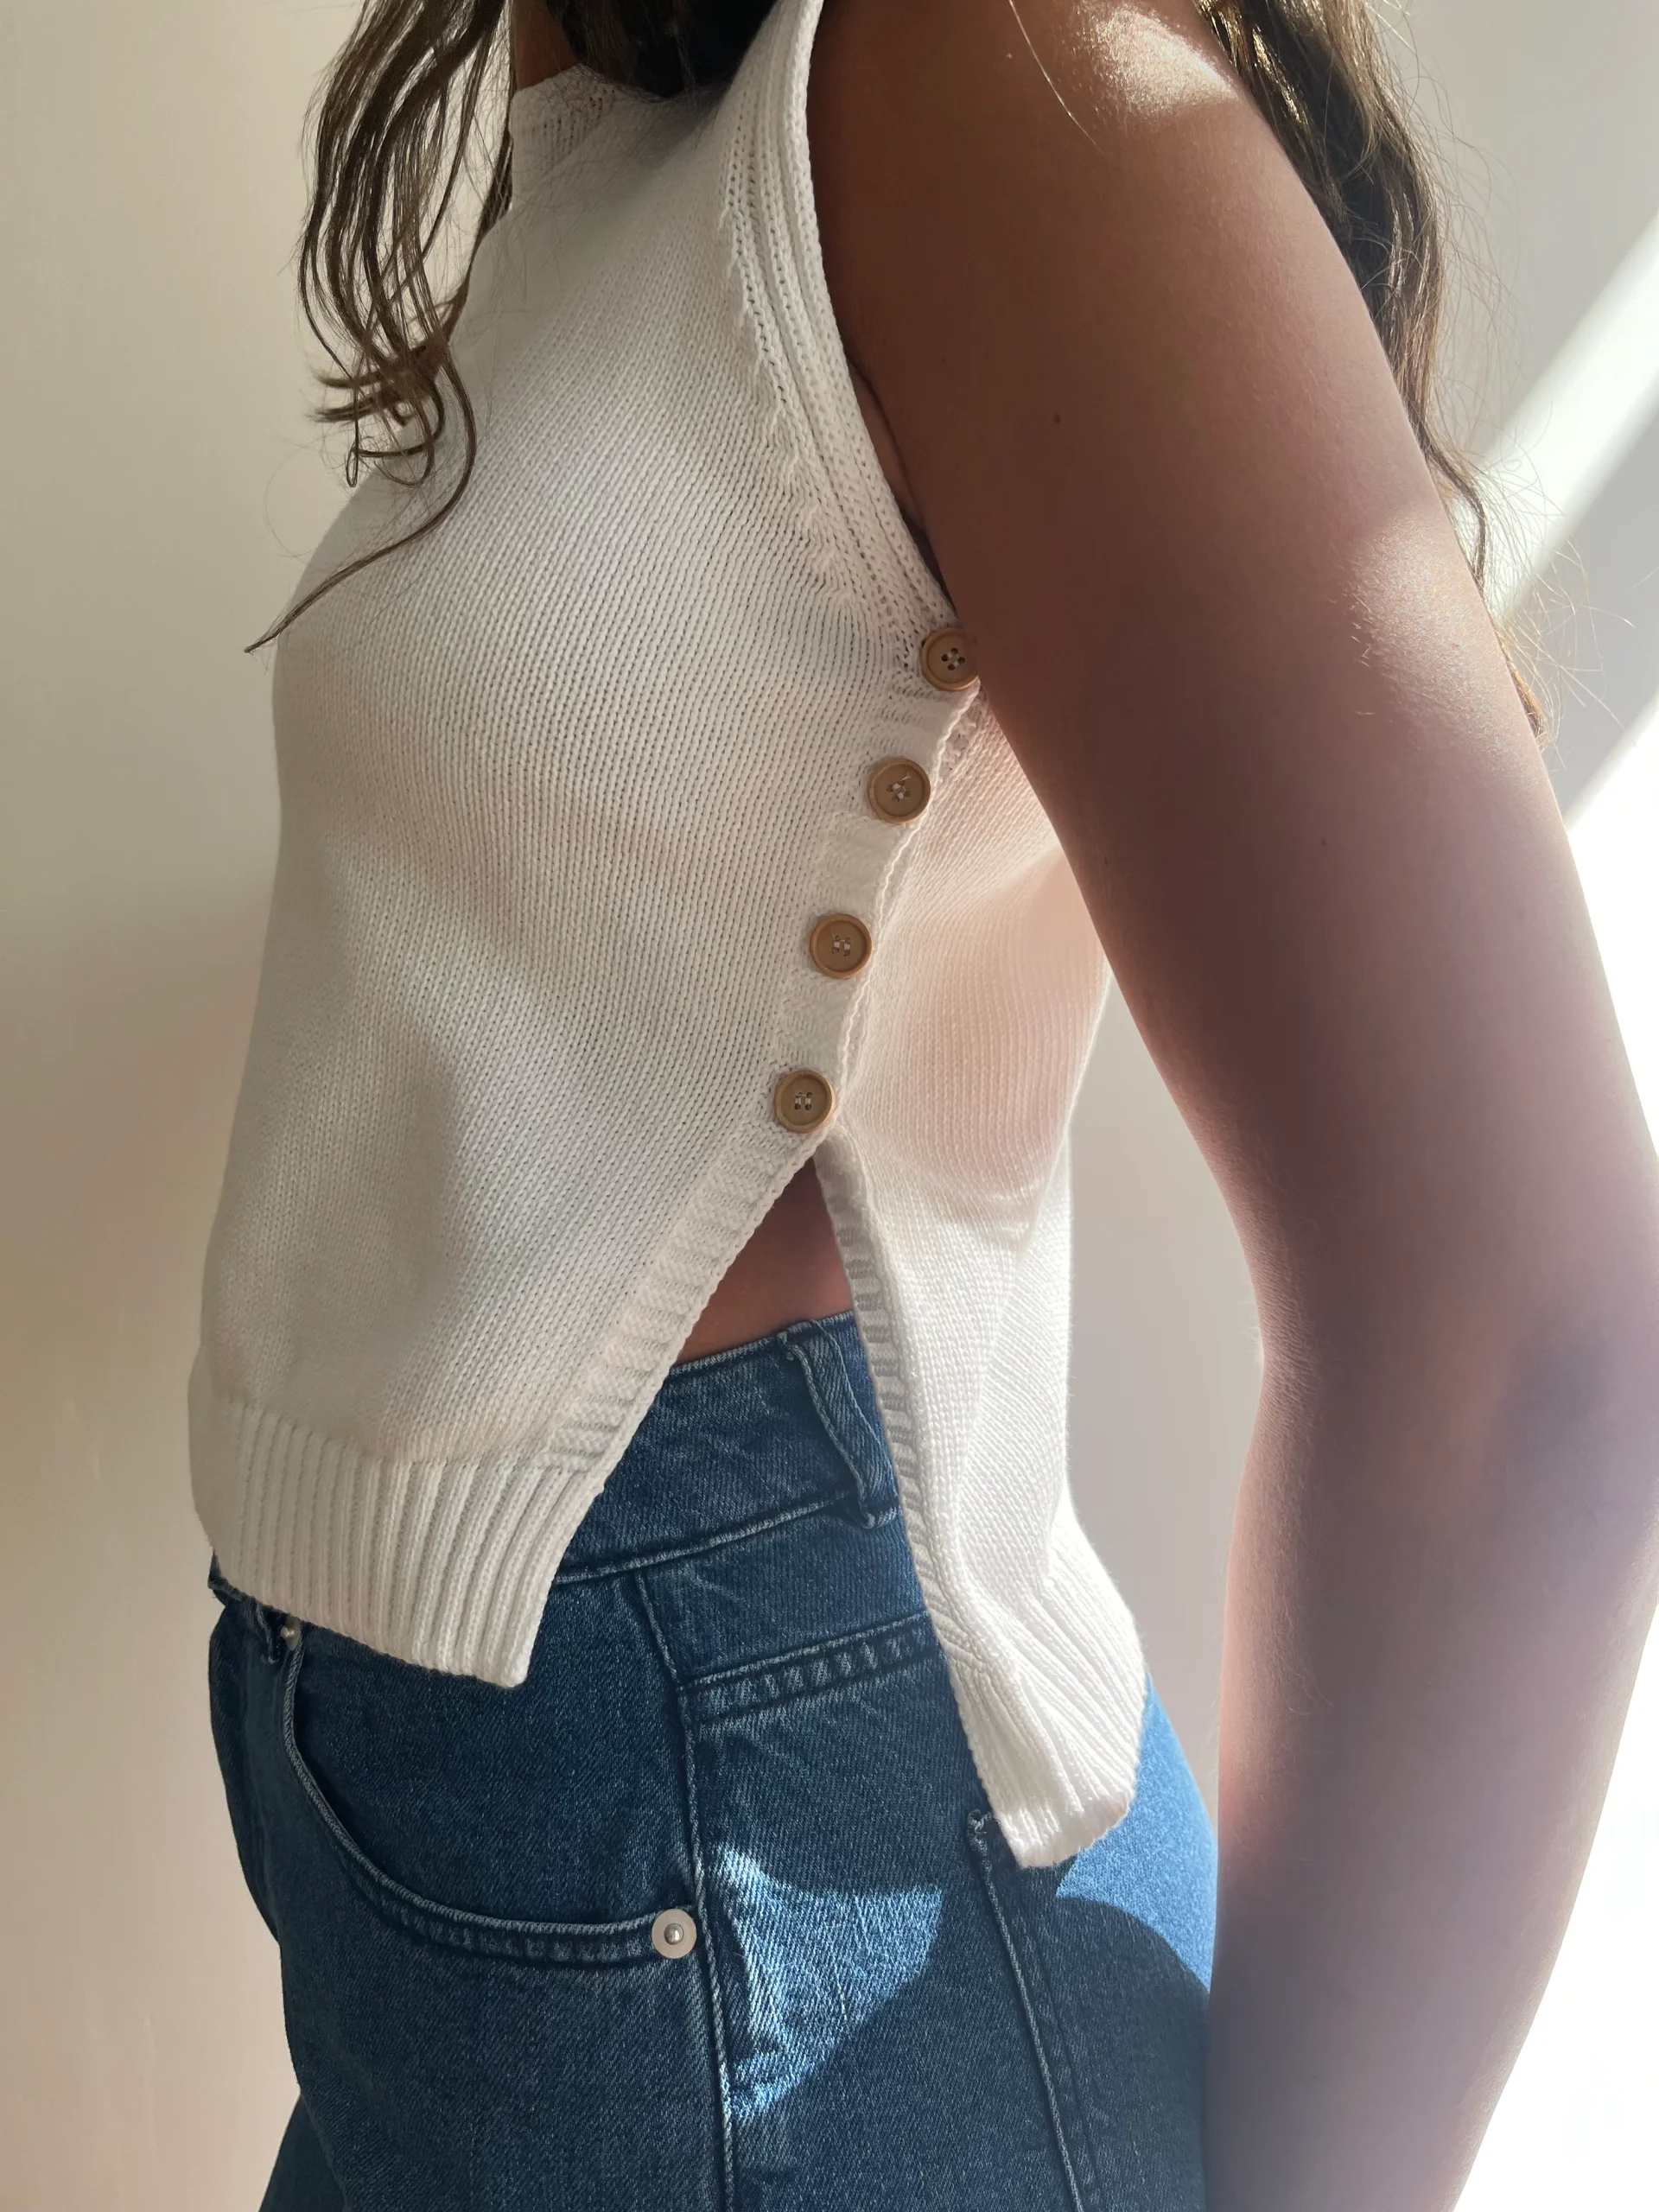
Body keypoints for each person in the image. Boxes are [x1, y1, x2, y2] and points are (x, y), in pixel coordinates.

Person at [194, 0, 1659, 2204]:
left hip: (749, 1906)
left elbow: (1536, 1338)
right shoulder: (626, 124)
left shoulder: (977, 68)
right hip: (468, 1868)